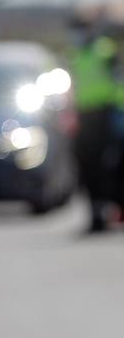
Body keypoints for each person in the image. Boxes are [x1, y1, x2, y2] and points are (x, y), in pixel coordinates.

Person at [70, 23, 124, 233]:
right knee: (88, 168)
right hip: (85, 117)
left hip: (107, 114)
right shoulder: (76, 55)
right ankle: (96, 215)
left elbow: (117, 78)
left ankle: (109, 209)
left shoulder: (104, 50)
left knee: (108, 167)